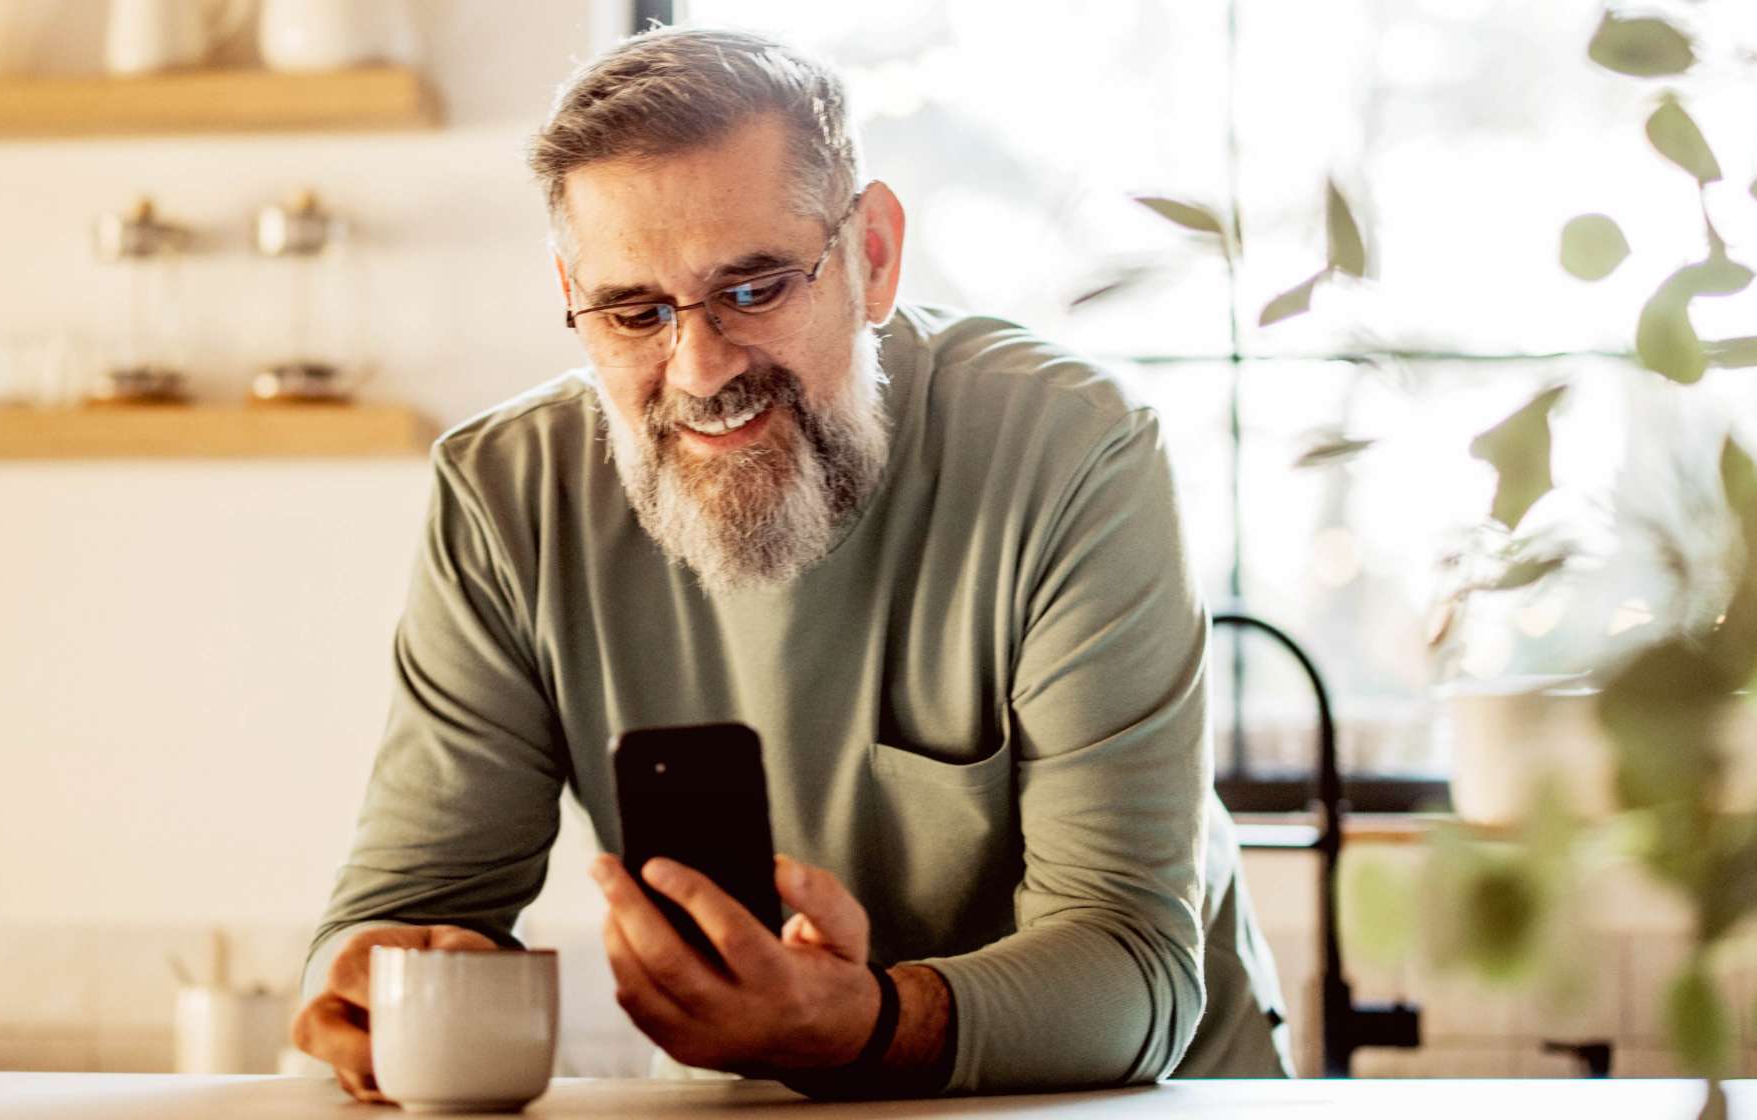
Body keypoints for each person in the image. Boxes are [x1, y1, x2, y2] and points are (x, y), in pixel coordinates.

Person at [290, 26, 1286, 1100]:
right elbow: (411, 910)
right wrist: (371, 986)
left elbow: (1131, 966)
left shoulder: (1072, 451)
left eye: (756, 288)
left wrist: (864, 1021)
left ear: (873, 257)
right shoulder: (505, 497)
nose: (701, 366)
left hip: (1137, 1099)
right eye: (634, 311)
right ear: (572, 294)